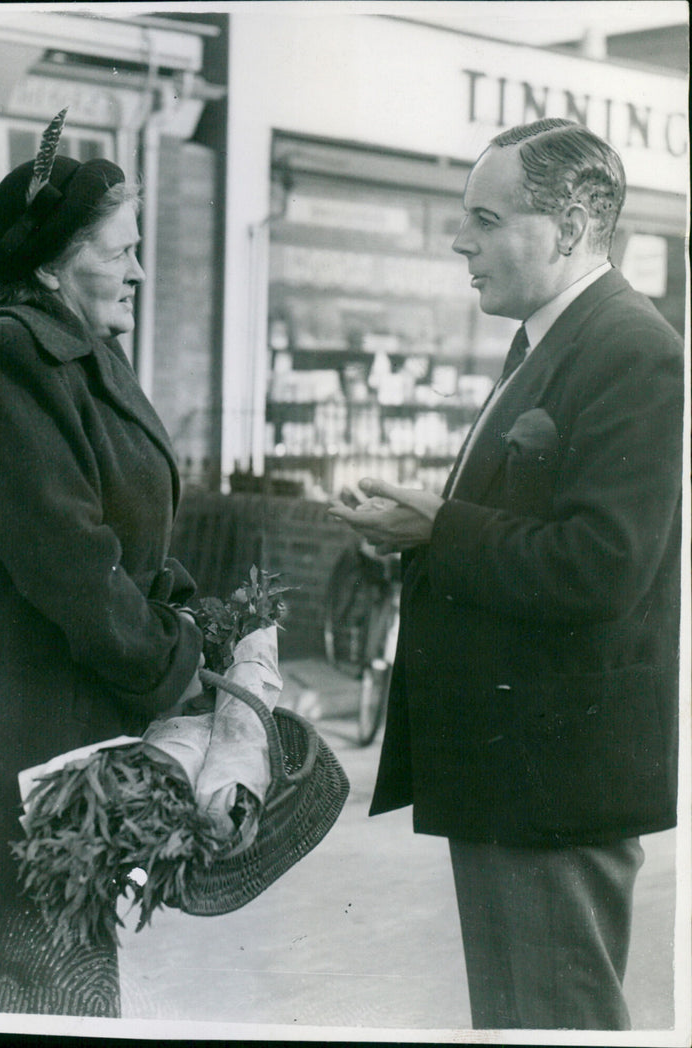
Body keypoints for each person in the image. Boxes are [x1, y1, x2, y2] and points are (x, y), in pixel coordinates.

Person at [330, 119, 682, 1030]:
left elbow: (603, 566)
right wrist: (416, 533)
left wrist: (440, 525)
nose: (461, 242)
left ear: (567, 228)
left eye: (484, 219)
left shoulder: (633, 351)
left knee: (553, 1018)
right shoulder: (554, 341)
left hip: (554, 781)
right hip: (517, 771)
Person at [0, 111, 204, 1015]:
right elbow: (70, 561)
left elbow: (128, 528)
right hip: (5, 741)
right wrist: (174, 667)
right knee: (18, 981)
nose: (140, 273)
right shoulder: (14, 357)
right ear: (51, 260)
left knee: (60, 979)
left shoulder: (78, 355)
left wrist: (194, 616)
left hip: (52, 734)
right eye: (120, 253)